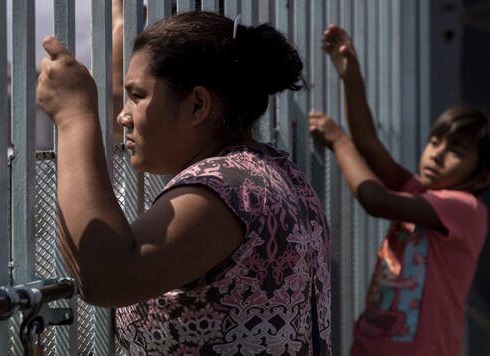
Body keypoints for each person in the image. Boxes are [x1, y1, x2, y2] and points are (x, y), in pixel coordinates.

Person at [37, 10, 332, 355]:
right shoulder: (279, 175)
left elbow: (107, 276)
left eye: (138, 95)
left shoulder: (228, 188)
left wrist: (75, 118)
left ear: (197, 104)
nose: (124, 115)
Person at [308, 25, 490, 356]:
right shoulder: (420, 192)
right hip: (370, 344)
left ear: (484, 178)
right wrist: (350, 76)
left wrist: (337, 140)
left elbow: (375, 200)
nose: (437, 154)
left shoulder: (464, 208)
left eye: (456, 151)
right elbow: (371, 146)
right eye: (434, 142)